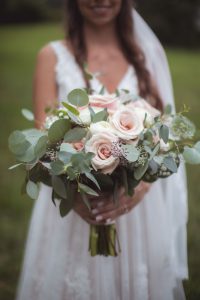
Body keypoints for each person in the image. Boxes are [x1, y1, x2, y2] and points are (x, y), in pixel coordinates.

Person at [16, 1, 188, 299]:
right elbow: (41, 145)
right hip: (72, 208)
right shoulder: (52, 57)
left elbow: (163, 139)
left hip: (135, 211)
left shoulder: (147, 57)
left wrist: (141, 188)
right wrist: (75, 197)